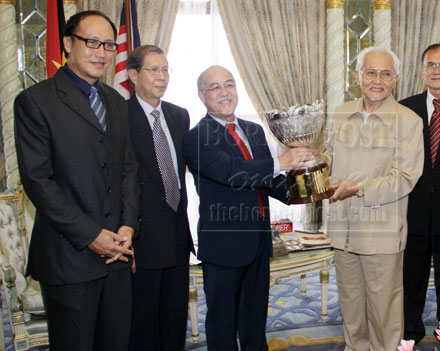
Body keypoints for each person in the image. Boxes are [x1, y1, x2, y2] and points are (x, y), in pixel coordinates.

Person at [13, 11, 139, 351]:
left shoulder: (115, 101)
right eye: (92, 42)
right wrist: (90, 235)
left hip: (117, 254)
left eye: (109, 45)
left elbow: (127, 169)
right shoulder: (35, 102)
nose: (101, 52)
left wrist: (128, 226)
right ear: (69, 43)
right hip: (69, 257)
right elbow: (39, 181)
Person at [183, 65, 316, 350]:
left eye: (229, 85)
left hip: (257, 243)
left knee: (255, 320)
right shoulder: (196, 137)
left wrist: (305, 184)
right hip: (223, 247)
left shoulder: (254, 131)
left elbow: (265, 179)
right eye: (215, 87)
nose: (224, 92)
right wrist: (282, 161)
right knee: (222, 324)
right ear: (201, 96)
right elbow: (232, 172)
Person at [325, 47, 424, 351]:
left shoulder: (409, 121)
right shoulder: (341, 113)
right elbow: (331, 155)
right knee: (351, 307)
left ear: (395, 79)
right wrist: (314, 162)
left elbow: (405, 177)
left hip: (381, 231)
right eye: (370, 72)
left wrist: (360, 188)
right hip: (343, 228)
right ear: (357, 76)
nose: (377, 80)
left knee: (384, 313)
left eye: (385, 73)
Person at [125, 45, 194, 351]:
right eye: (153, 70)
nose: (162, 77)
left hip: (177, 235)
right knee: (144, 324)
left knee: (175, 320)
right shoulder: (120, 118)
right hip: (142, 240)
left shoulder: (180, 116)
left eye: (165, 69)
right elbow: (117, 184)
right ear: (132, 75)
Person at [399, 43, 440, 347]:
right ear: (422, 70)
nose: (437, 70)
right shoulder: (404, 107)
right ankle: (410, 332)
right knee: (411, 277)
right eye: (431, 65)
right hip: (413, 208)